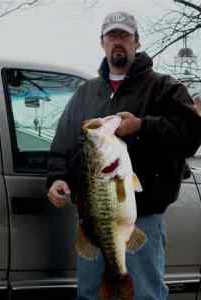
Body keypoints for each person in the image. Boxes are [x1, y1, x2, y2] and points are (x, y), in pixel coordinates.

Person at [47, 11, 201, 300]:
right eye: (112, 36)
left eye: (124, 35)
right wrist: (56, 179)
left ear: (136, 42)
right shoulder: (85, 93)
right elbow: (63, 145)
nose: (118, 42)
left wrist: (142, 125)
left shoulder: (165, 88)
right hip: (90, 219)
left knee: (145, 294)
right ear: (102, 43)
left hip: (142, 217)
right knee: (89, 294)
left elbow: (191, 134)